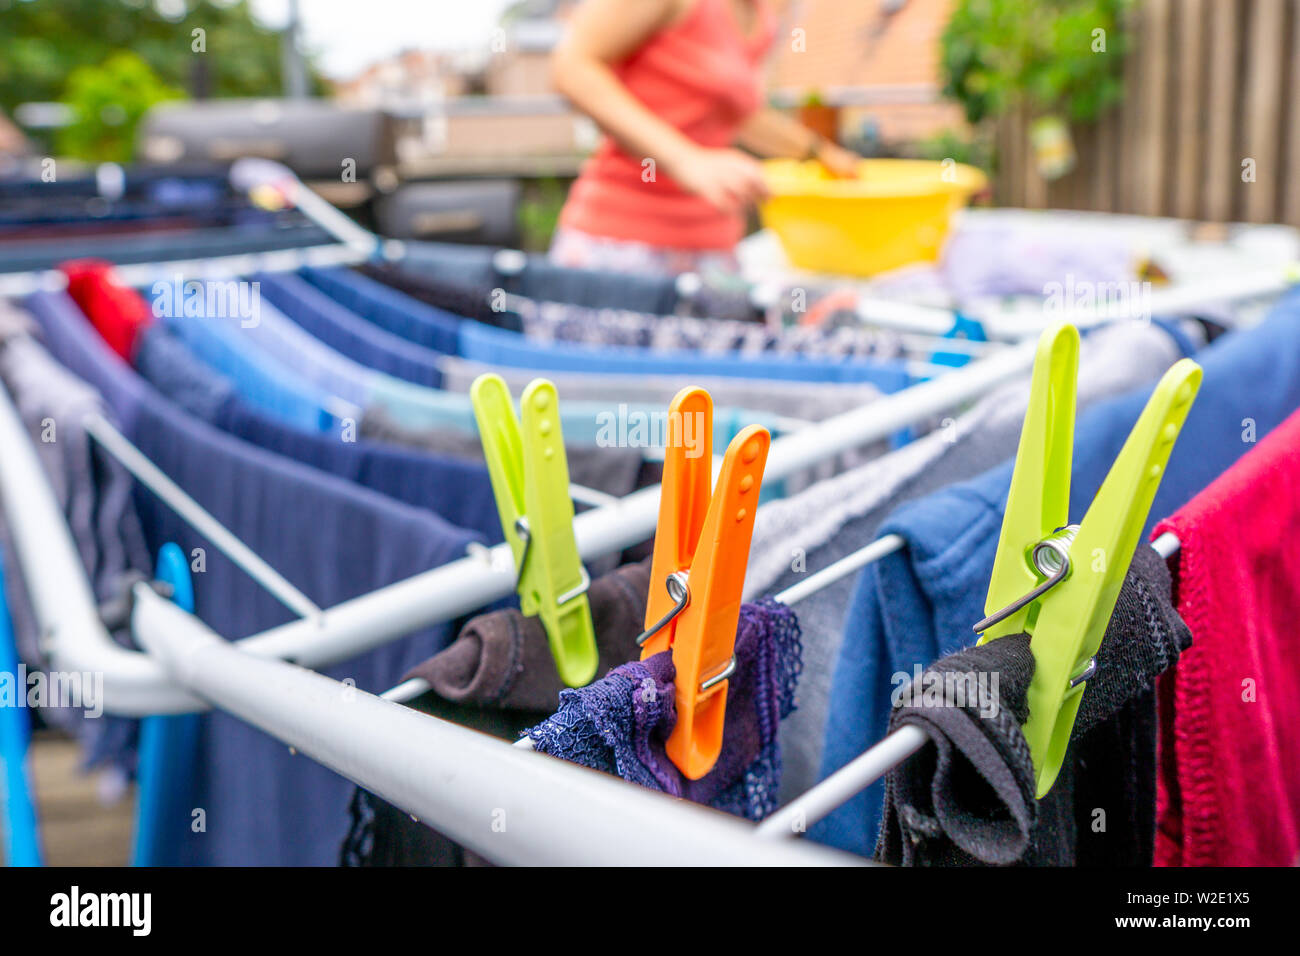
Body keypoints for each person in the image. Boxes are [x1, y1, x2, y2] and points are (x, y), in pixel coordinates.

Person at [550, 0, 860, 276]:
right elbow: (572, 67)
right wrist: (684, 159)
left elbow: (740, 113)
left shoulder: (760, 17)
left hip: (713, 249)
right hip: (621, 247)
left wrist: (820, 153)